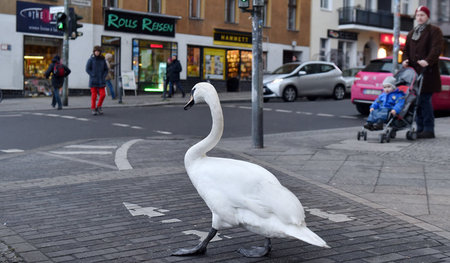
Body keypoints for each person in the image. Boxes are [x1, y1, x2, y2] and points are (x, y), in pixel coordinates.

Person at [402, 5, 444, 139]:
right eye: (418, 15)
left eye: (422, 15)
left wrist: (428, 61)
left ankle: (428, 129)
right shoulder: (412, 33)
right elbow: (405, 51)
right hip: (413, 75)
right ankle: (420, 128)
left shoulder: (434, 30)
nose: (419, 18)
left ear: (427, 17)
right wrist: (405, 61)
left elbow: (436, 48)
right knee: (416, 102)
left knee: (425, 101)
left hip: (428, 73)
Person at [86, 46, 108, 115]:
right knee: (94, 96)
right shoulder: (91, 60)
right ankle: (93, 108)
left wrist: (104, 76)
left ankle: (99, 106)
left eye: (98, 51)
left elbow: (106, 69)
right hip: (93, 80)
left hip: (101, 80)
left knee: (103, 95)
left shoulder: (103, 60)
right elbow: (87, 69)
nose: (97, 52)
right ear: (94, 52)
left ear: (100, 52)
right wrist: (92, 74)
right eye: (96, 51)